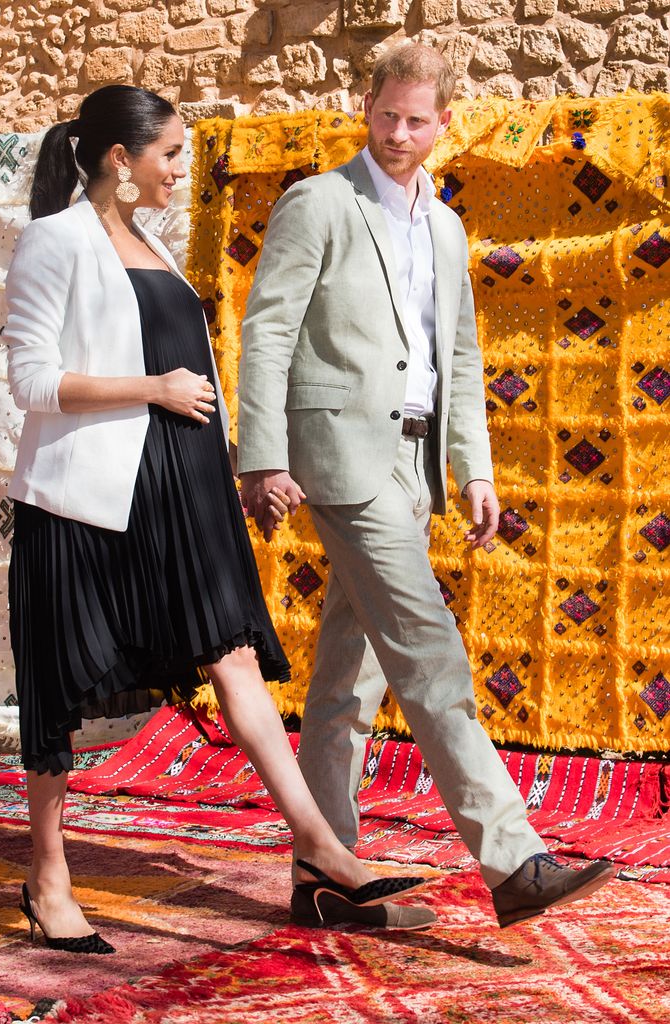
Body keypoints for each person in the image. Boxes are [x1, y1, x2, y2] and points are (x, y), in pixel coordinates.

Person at [4, 84, 432, 955]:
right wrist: (152, 391)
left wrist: (240, 469)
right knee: (59, 687)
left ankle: (317, 850)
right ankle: (47, 877)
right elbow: (31, 382)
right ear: (121, 161)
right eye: (169, 155)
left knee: (235, 659)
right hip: (90, 496)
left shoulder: (156, 245)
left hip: (183, 488)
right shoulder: (56, 240)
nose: (180, 170)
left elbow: (186, 363)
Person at [239, 42, 616, 930]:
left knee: (347, 684)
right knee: (431, 655)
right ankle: (513, 858)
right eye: (387, 116)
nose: (399, 133)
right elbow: (266, 330)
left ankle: (321, 871)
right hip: (338, 458)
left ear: (445, 124)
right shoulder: (320, 203)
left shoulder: (445, 227)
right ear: (366, 106)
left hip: (412, 468)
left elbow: (458, 355)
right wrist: (260, 455)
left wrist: (473, 468)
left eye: (417, 120)